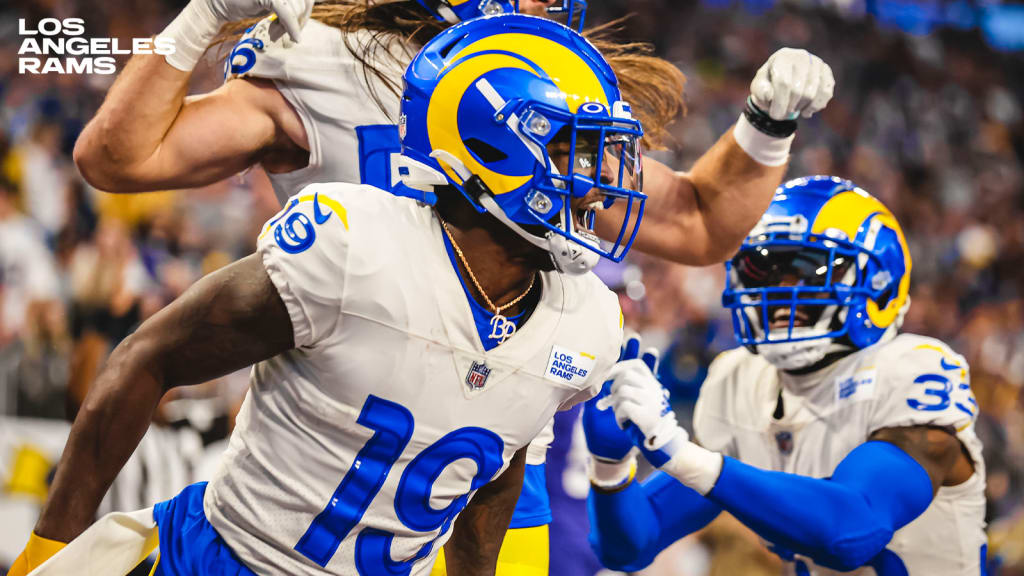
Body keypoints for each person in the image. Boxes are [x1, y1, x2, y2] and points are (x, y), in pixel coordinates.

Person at [70, 0, 834, 572]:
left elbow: (699, 224)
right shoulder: (336, 63)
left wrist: (764, 128)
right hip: (333, 422)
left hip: (492, 430)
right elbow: (120, 160)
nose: (548, 9)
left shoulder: (555, 106)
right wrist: (202, 18)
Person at [10, 14, 642, 576]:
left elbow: (497, 465)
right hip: (224, 558)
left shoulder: (583, 320)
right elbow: (144, 360)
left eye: (604, 153)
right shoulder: (350, 247)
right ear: (489, 147)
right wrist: (49, 553)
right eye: (575, 150)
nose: (603, 183)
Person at [583, 176, 987, 575]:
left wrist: (677, 450)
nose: (779, 289)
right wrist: (610, 470)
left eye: (806, 270)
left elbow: (850, 532)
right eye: (764, 270)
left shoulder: (913, 368)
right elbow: (631, 547)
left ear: (877, 285)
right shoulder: (740, 378)